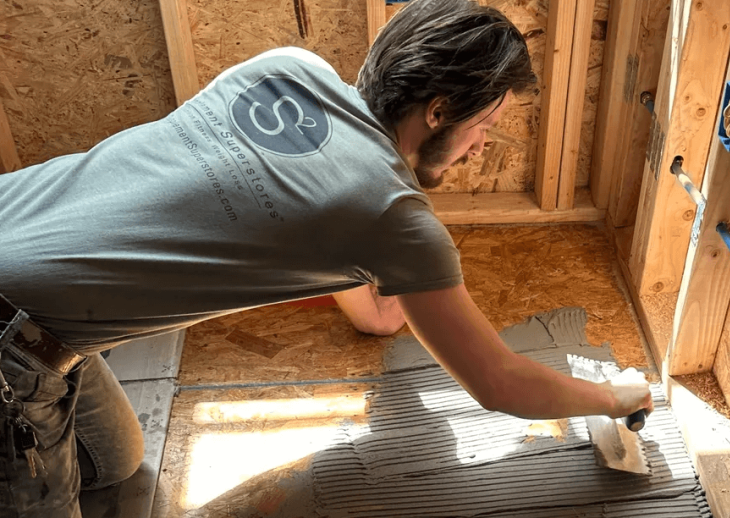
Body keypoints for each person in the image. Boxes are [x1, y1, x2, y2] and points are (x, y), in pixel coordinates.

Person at [0, 0, 654, 515]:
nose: (483, 145)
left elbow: (373, 311)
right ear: (439, 111)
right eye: (483, 125)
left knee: (114, 461)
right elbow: (500, 384)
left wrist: (404, 238)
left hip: (17, 243)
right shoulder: (389, 218)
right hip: (14, 352)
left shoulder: (285, 70)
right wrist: (611, 395)